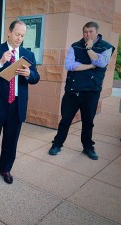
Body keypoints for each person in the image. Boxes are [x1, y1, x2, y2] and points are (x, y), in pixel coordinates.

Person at [0, 20, 40, 188]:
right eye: (17, 34)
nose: (19, 38)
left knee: (11, 141)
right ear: (9, 32)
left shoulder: (28, 55)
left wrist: (28, 73)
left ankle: (5, 169)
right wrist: (0, 63)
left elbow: (36, 78)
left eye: (22, 35)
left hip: (16, 105)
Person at [48, 21, 115, 160]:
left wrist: (90, 50)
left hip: (91, 91)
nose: (87, 34)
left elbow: (101, 63)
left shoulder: (107, 47)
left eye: (90, 32)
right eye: (85, 32)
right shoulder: (75, 45)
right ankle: (57, 144)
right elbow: (69, 65)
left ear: (97, 32)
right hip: (73, 90)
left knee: (88, 121)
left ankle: (88, 147)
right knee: (65, 120)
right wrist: (90, 66)